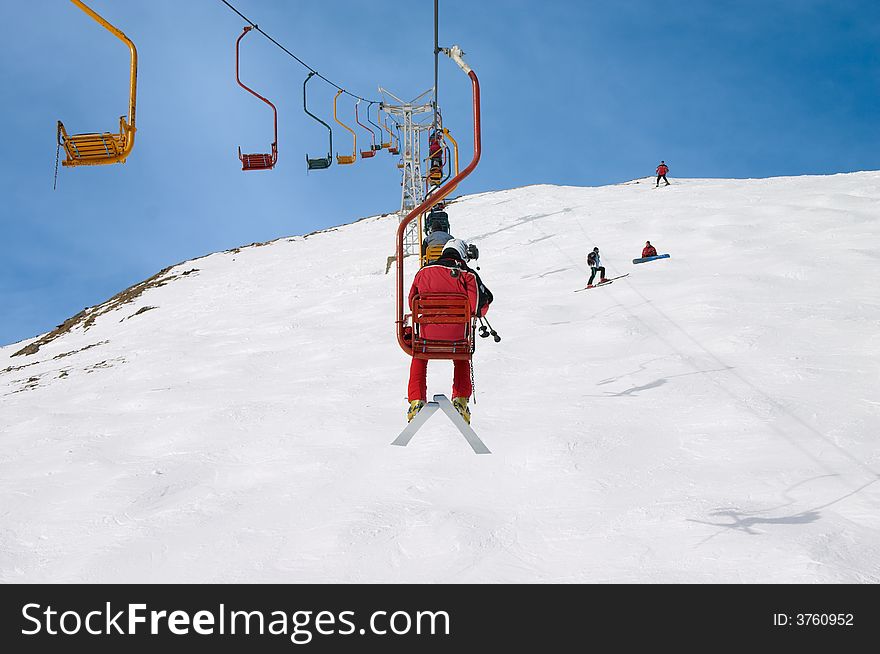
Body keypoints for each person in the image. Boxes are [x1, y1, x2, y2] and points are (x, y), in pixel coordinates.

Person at [407, 238, 493, 425]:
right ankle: (460, 399)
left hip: (427, 334)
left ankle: (416, 400)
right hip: (457, 336)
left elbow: (412, 301)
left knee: (419, 355)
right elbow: (478, 307)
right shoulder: (467, 275)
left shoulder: (423, 272)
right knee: (462, 354)